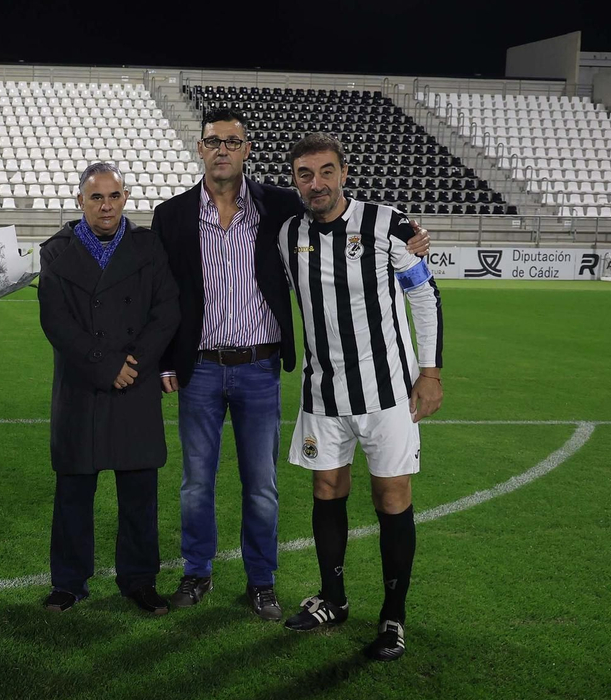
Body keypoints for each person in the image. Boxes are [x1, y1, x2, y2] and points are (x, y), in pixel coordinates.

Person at [152, 108, 430, 621]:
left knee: (262, 482)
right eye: (213, 141)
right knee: (196, 481)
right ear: (199, 149)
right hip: (200, 368)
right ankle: (197, 572)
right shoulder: (171, 215)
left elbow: (358, 228)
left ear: (247, 149)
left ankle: (262, 581)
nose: (222, 150)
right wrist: (166, 360)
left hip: (259, 366)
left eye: (232, 142)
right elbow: (164, 294)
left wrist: (411, 234)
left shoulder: (280, 206)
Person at [276, 133, 443, 660]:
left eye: (326, 171)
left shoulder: (386, 222)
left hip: (388, 393)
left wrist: (430, 371)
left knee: (391, 497)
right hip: (322, 390)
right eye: (306, 174)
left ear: (343, 173)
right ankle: (333, 598)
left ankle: (393, 618)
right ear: (296, 181)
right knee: (327, 489)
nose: (316, 183)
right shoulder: (287, 235)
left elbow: (423, 293)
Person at [38, 163, 179, 615]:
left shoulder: (147, 245)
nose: (106, 205)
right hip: (83, 384)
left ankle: (139, 581)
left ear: (125, 197)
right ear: (80, 200)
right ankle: (68, 583)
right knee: (74, 493)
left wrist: (132, 364)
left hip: (133, 382)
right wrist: (106, 365)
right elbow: (56, 321)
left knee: (139, 493)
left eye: (114, 196)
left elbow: (167, 310)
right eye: (96, 197)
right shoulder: (56, 251)